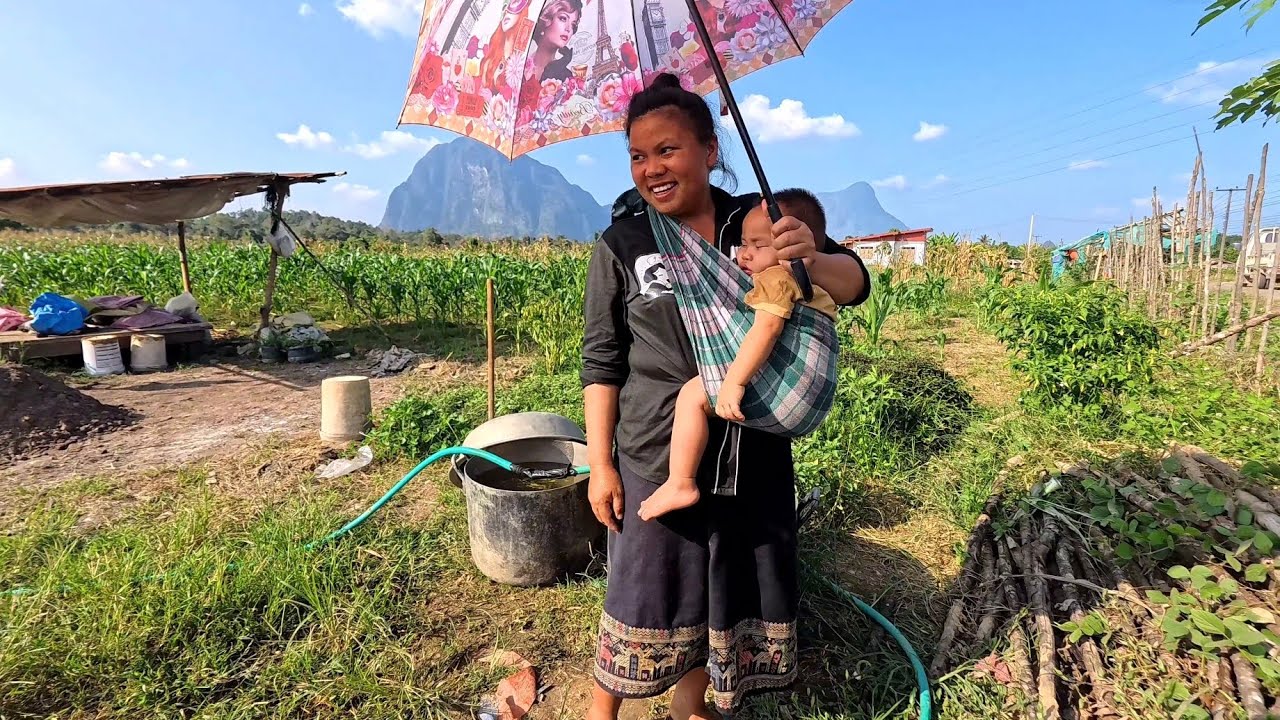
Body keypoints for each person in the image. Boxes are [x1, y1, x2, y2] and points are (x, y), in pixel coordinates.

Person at [581, 72, 870, 720]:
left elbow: (853, 282)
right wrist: (601, 463)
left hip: (749, 447)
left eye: (669, 149)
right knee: (643, 592)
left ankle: (691, 707)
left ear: (710, 151)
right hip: (660, 450)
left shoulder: (756, 221)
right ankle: (602, 713)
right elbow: (601, 362)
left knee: (720, 593)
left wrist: (810, 257)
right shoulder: (624, 244)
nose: (652, 167)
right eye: (638, 154)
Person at [636, 188, 839, 522]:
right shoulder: (793, 279)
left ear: (794, 245)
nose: (744, 255)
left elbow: (767, 328)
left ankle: (681, 482)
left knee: (691, 396)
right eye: (744, 243)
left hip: (791, 382)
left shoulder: (777, 278)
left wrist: (733, 381)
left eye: (759, 245)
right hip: (806, 392)